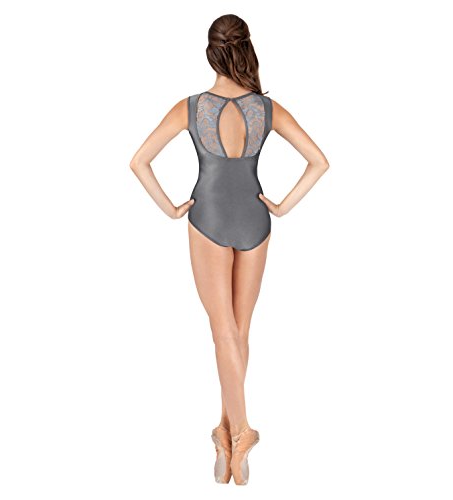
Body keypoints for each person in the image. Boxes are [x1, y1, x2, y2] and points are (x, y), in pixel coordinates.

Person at [129, 14, 330, 486]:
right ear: (246, 49)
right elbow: (319, 161)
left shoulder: (190, 107)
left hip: (208, 219)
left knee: (223, 331)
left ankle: (241, 432)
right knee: (239, 332)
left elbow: (139, 161)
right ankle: (226, 437)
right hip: (256, 221)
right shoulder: (268, 109)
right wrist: (281, 206)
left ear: (211, 53)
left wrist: (171, 209)